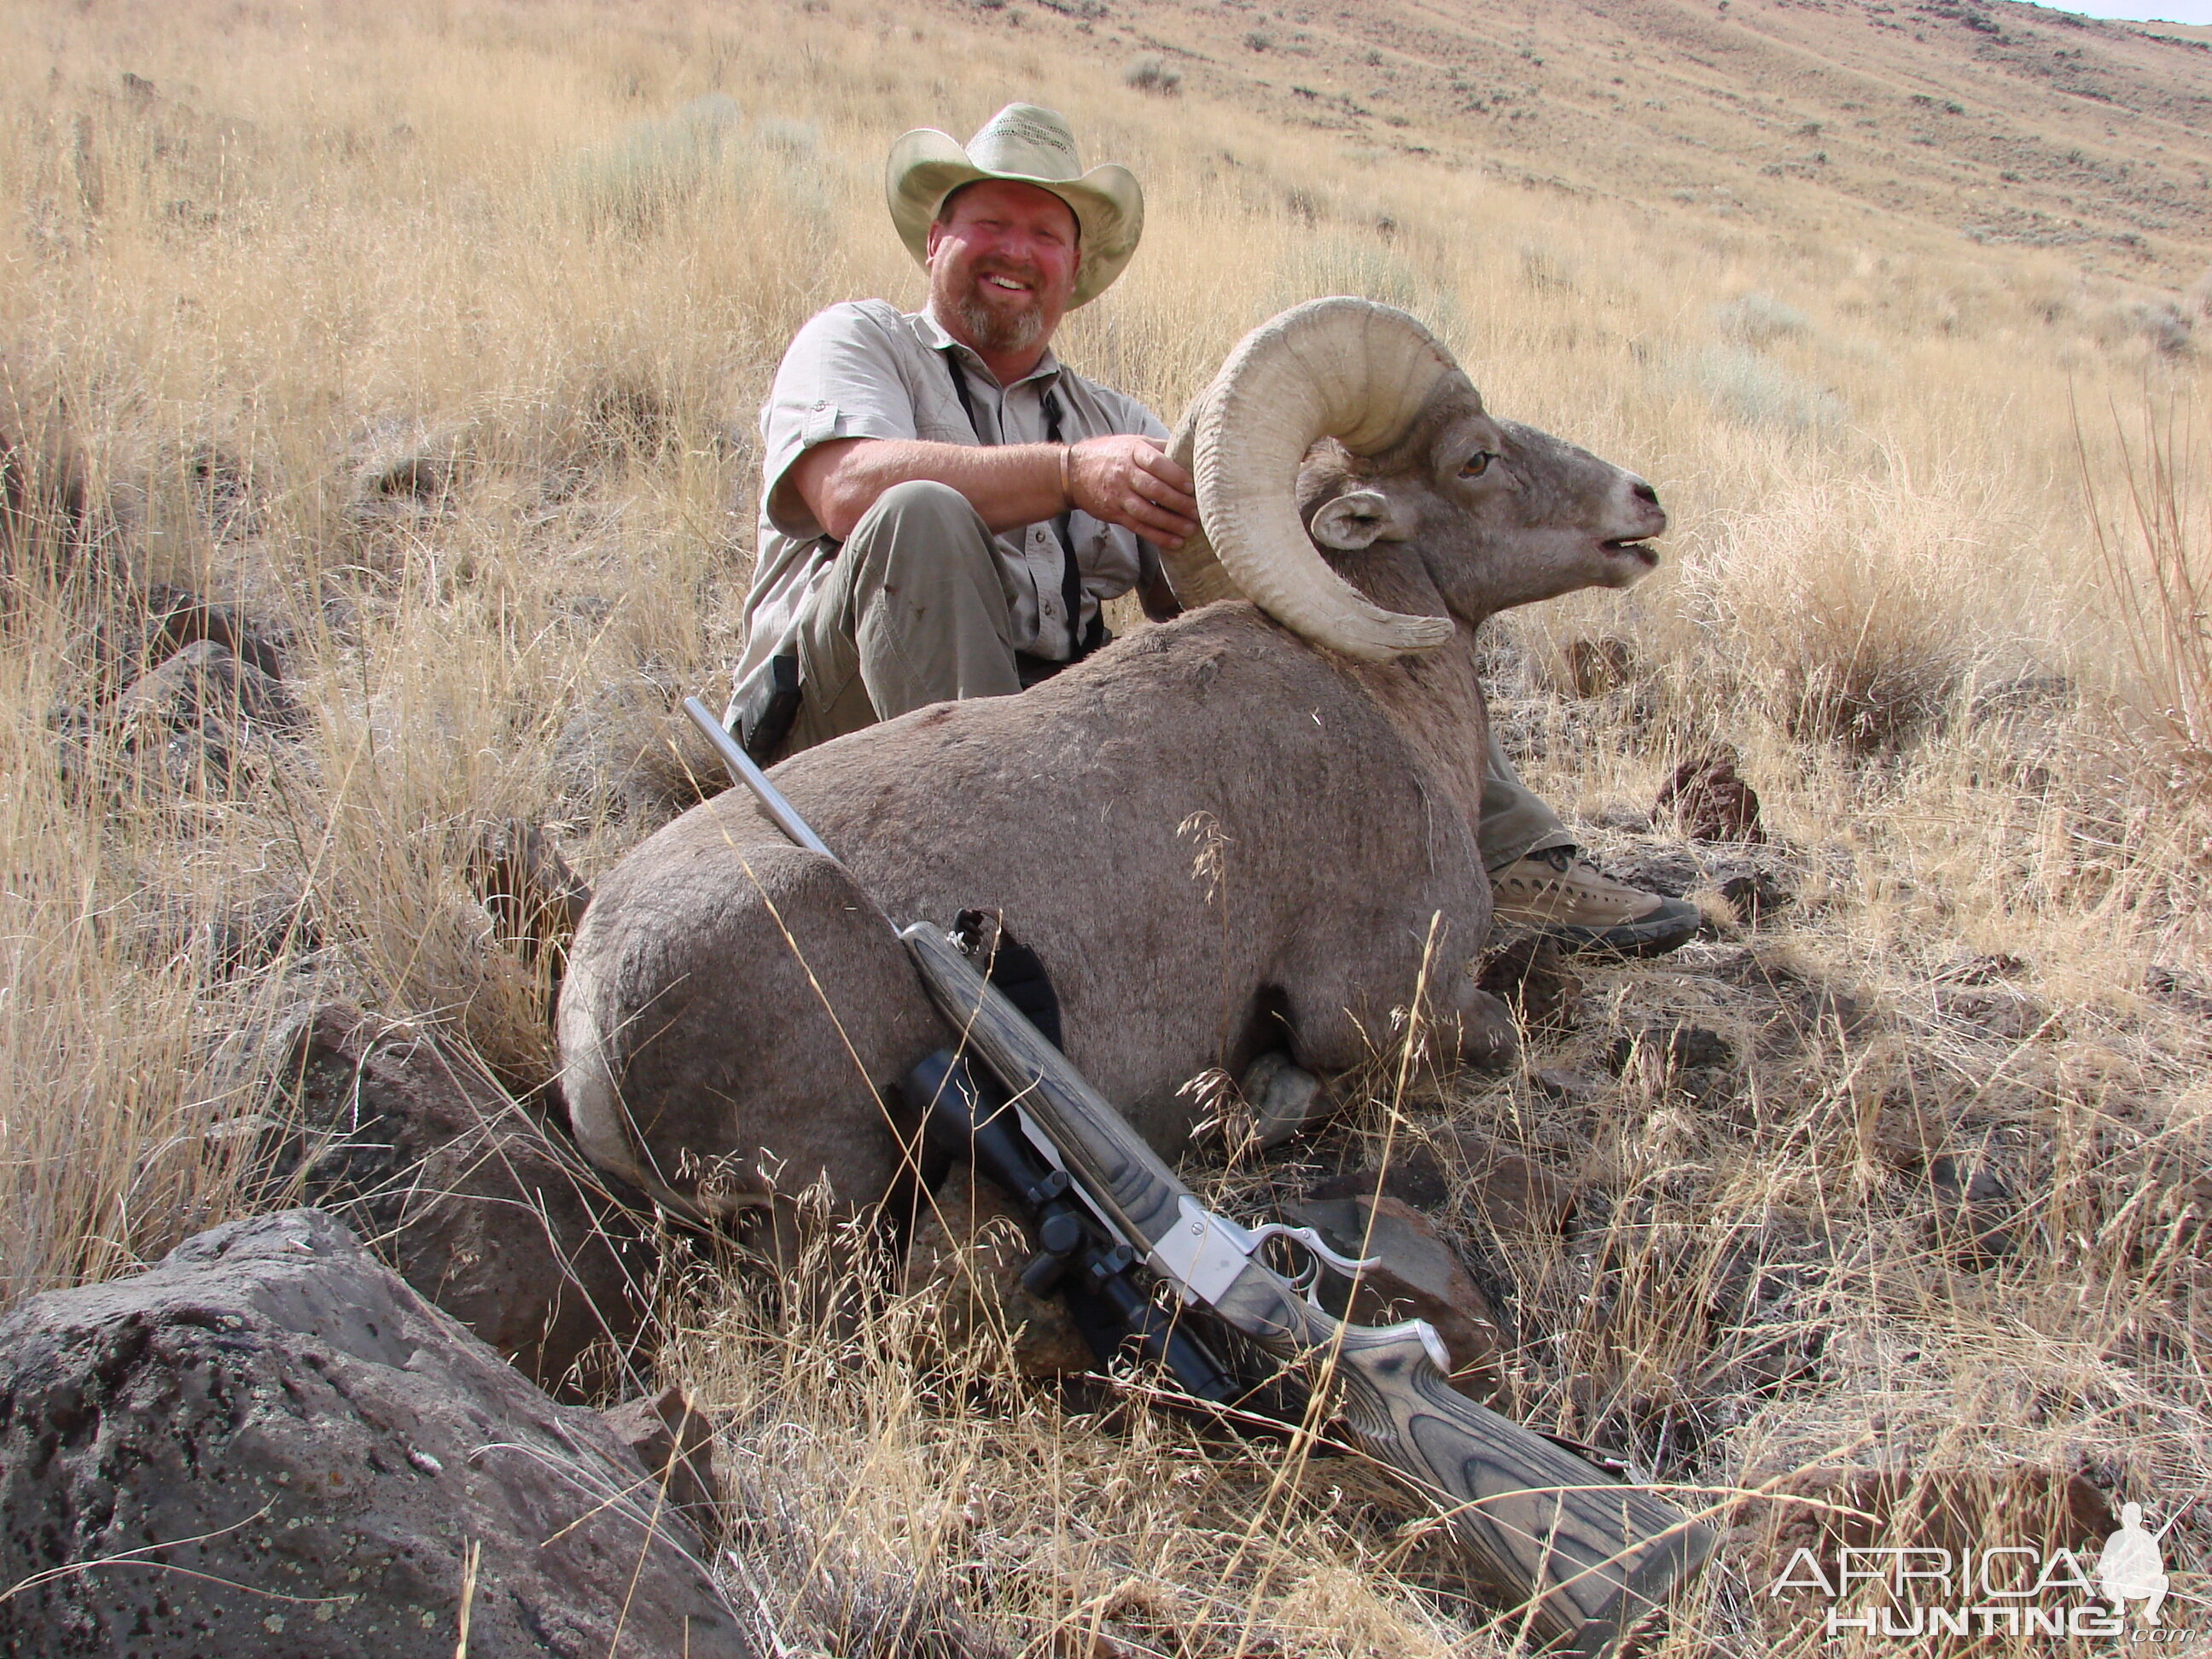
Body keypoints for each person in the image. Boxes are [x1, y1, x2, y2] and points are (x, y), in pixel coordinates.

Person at [727, 102, 1697, 958]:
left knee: (1360, 579)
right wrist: (1069, 478)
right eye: (989, 222)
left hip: (1031, 750)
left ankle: (1508, 852)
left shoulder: (1113, 420)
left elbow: (1214, 564)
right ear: (937, 240)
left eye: (1044, 233)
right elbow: (847, 488)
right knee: (920, 516)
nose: (1016, 250)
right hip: (840, 732)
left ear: (1075, 269)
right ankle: (998, 919)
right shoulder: (858, 342)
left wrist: (1320, 543)